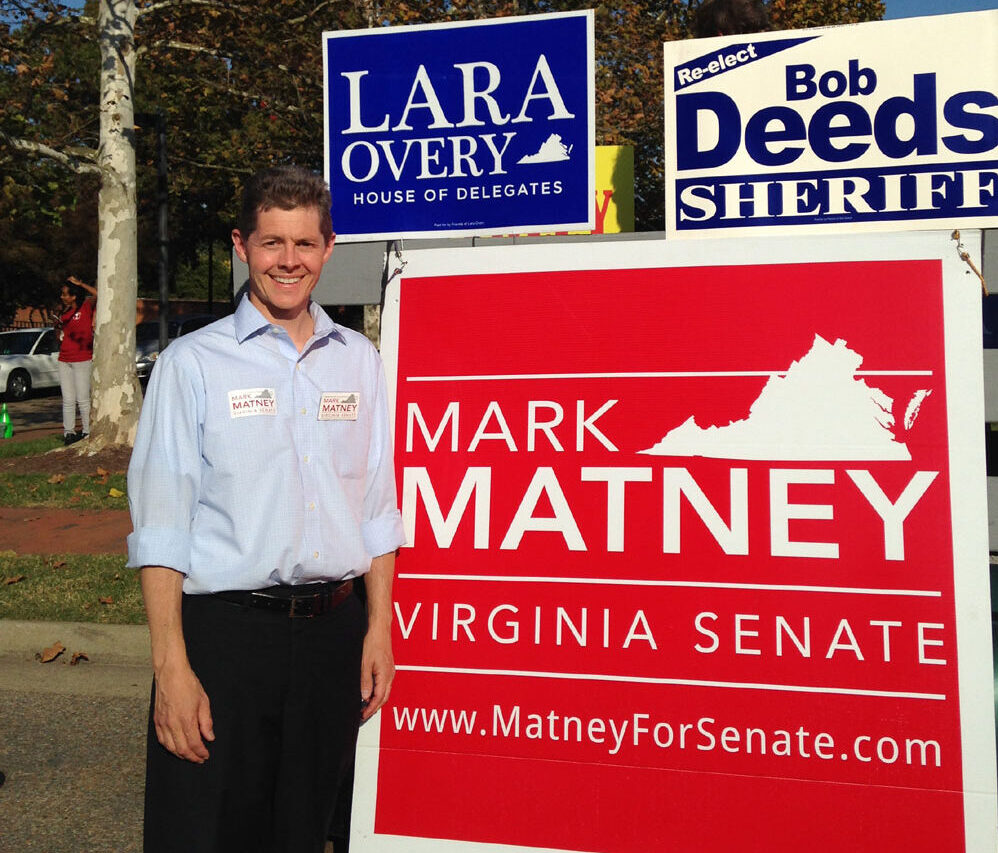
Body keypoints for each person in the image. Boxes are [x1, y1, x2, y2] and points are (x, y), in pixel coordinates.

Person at [126, 165, 405, 853]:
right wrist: (171, 667)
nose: (289, 260)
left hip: (330, 638)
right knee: (206, 831)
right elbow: (162, 525)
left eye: (305, 244)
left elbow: (375, 507)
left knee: (305, 833)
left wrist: (378, 630)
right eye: (272, 242)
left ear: (329, 248)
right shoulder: (192, 365)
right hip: (227, 640)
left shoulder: (359, 361)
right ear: (241, 246)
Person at [57, 275, 96, 444]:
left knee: (83, 398)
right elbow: (62, 335)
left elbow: (99, 295)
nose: (62, 297)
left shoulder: (86, 307)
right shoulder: (64, 312)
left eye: (66, 294)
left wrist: (81, 283)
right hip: (64, 358)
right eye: (62, 294)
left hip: (82, 358)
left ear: (74, 296)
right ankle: (69, 433)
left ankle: (87, 432)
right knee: (68, 399)